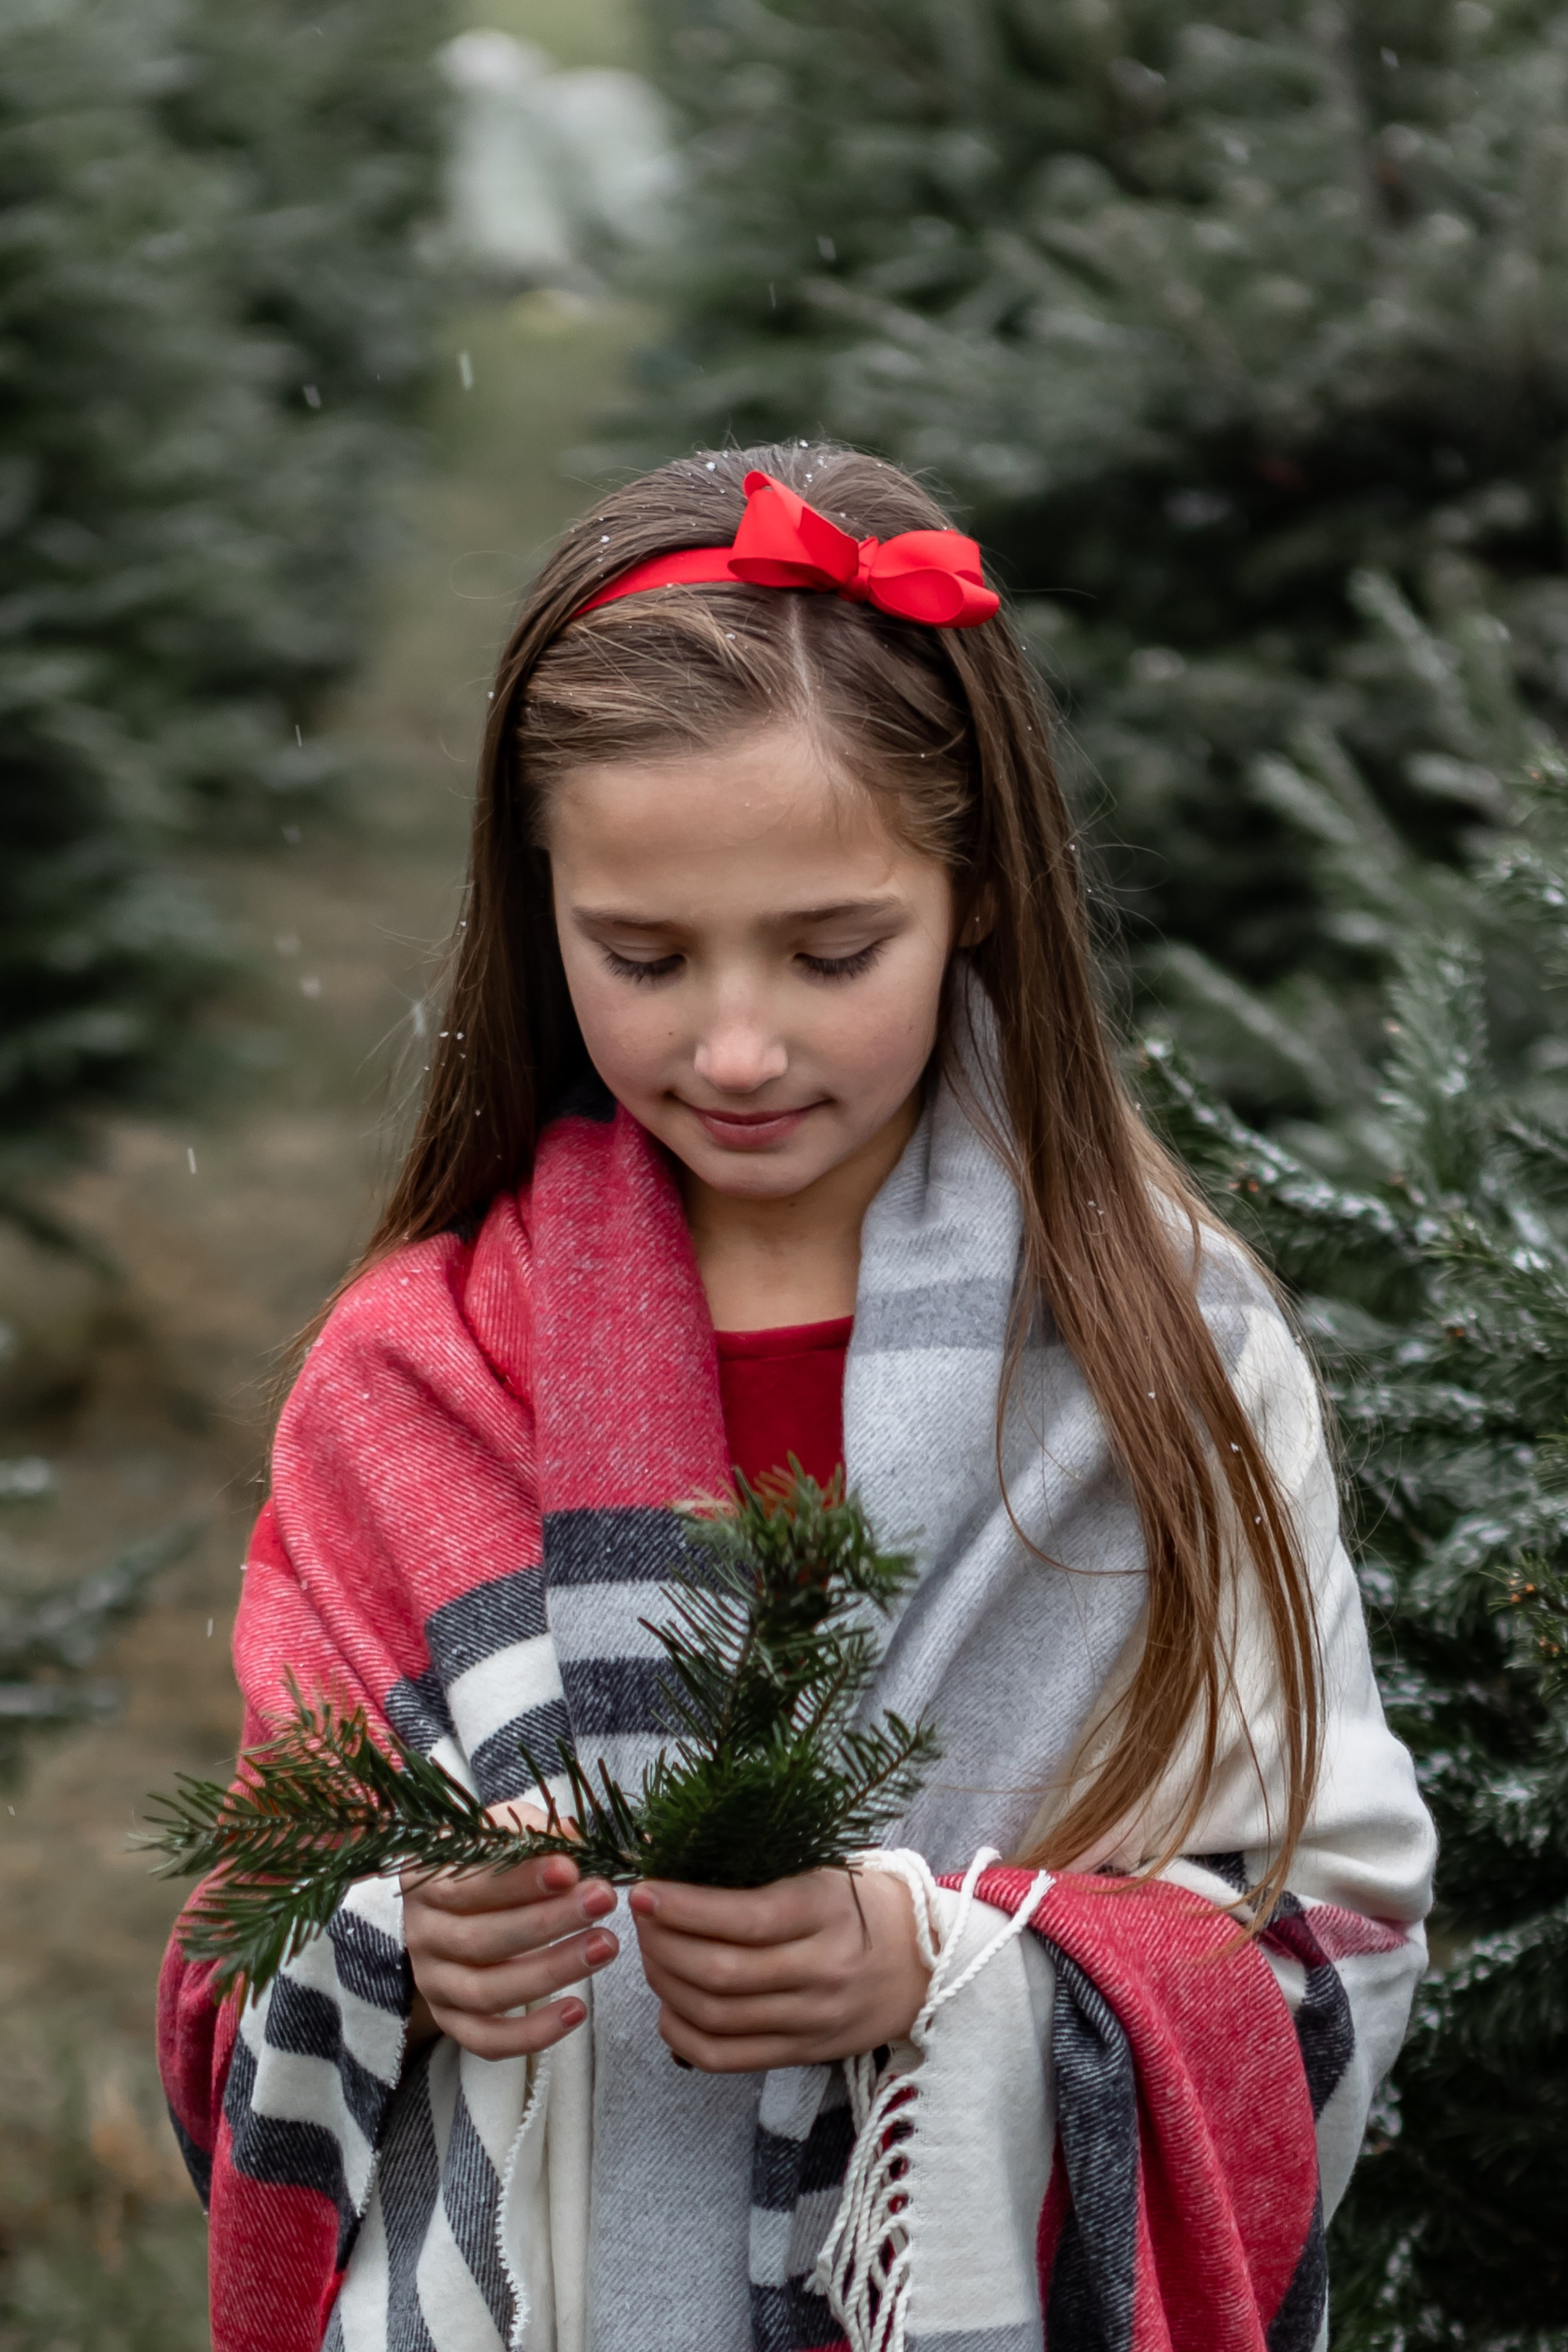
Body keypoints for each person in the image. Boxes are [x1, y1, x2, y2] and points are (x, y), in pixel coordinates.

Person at [158, 445, 1435, 2352]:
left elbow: (1331, 1925)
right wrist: (395, 1947)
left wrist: (950, 1964)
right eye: (644, 957)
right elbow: (235, 1936)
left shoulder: (1163, 1357)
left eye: (833, 953)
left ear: (978, 888)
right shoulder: (417, 1375)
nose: (737, 1045)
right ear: (541, 908)